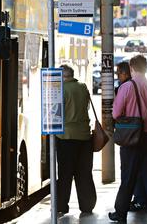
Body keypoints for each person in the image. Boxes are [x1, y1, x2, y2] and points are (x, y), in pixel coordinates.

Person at [110, 54, 147, 224]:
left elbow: (116, 113)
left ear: (132, 68)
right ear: (146, 67)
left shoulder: (126, 88)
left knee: (128, 178)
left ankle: (121, 214)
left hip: (132, 139)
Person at [55, 64, 96, 215]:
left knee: (65, 174)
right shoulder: (83, 87)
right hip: (85, 137)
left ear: (62, 76)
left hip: (66, 137)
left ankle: (61, 206)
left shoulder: (61, 90)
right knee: (84, 173)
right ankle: (87, 205)